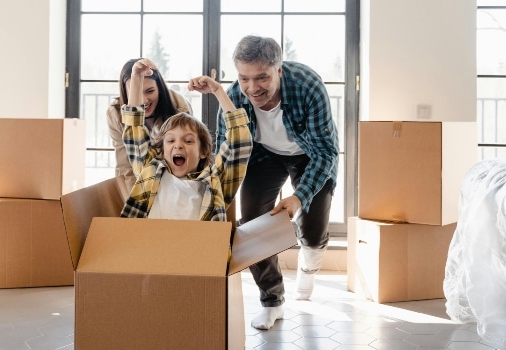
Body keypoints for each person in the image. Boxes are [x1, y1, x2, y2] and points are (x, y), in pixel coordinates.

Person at [214, 35, 339, 330]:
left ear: (279, 70)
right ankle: (272, 302)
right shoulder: (233, 97)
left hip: (310, 154)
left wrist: (298, 198)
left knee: (312, 229)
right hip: (263, 156)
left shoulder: (308, 86)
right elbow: (225, 152)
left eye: (262, 77)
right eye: (244, 78)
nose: (252, 88)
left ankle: (309, 265)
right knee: (253, 223)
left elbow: (326, 152)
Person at [119, 58, 251, 221]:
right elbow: (134, 133)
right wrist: (136, 78)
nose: (178, 145)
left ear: (203, 151)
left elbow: (239, 144)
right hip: (152, 244)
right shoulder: (150, 172)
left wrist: (218, 91)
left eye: (188, 141)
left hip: (196, 246)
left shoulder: (214, 182)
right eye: (170, 141)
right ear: (161, 150)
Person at [107, 58, 193, 191]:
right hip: (140, 182)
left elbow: (187, 160)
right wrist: (134, 204)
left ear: (160, 88)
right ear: (125, 91)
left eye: (150, 91)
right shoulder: (115, 113)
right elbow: (125, 167)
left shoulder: (179, 107)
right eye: (134, 91)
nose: (143, 100)